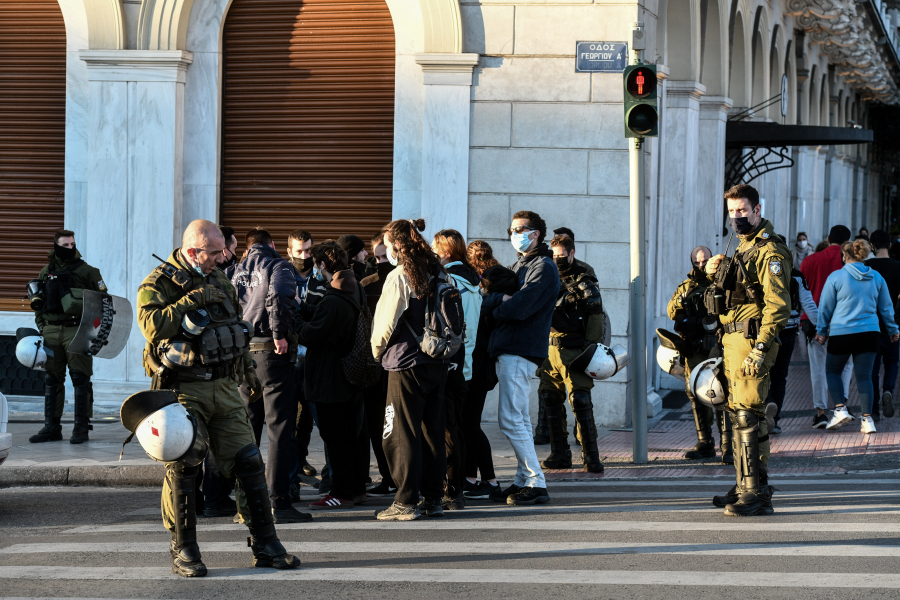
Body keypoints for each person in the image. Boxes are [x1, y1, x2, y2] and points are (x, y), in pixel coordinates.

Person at [137, 219, 299, 576]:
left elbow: (235, 326)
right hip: (184, 388)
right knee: (184, 466)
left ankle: (266, 544)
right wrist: (189, 301)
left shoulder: (219, 278)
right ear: (193, 251)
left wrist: (247, 371)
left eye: (221, 252)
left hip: (225, 386)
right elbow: (151, 325)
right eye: (213, 253)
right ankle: (185, 549)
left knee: (249, 461)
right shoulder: (158, 282)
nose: (221, 258)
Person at [705, 183, 791, 516]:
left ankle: (754, 494)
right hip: (732, 340)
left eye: (742, 210)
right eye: (731, 212)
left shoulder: (770, 250)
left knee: (747, 416)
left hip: (752, 341)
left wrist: (759, 349)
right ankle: (747, 483)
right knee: (741, 415)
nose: (736, 217)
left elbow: (777, 305)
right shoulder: (743, 246)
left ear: (757, 209)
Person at [371, 218, 449, 521]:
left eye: (388, 246)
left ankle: (404, 501)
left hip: (405, 363)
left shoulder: (400, 275)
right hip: (437, 361)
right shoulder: (438, 271)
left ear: (397, 245)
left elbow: (386, 322)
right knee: (432, 433)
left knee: (401, 434)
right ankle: (433, 498)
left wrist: (377, 352)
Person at [229, 228, 309, 523]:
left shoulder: (235, 270)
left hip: (242, 356)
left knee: (247, 429)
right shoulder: (279, 266)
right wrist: (279, 334)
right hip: (270, 354)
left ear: (248, 247)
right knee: (279, 429)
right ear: (273, 244)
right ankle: (278, 502)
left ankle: (246, 504)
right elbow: (280, 296)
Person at [482, 210, 560, 506]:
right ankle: (522, 480)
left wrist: (500, 306)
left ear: (536, 233)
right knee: (519, 420)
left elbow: (520, 308)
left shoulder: (543, 267)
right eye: (511, 230)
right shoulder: (520, 264)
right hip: (511, 347)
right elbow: (488, 298)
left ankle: (536, 482)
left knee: (511, 419)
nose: (514, 234)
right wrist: (500, 301)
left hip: (520, 348)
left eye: (520, 229)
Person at [296, 240, 367, 509]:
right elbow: (327, 319)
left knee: (336, 439)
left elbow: (311, 334)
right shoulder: (353, 288)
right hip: (350, 375)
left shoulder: (334, 299)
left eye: (315, 264)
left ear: (322, 265)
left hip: (330, 379)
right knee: (352, 436)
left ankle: (341, 492)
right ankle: (356, 488)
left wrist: (296, 320)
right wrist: (306, 310)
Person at [28, 229, 106, 445]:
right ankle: (51, 427)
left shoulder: (89, 271)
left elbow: (103, 302)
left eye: (72, 244)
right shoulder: (46, 271)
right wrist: (42, 326)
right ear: (56, 247)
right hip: (52, 330)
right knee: (52, 379)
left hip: (77, 330)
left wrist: (93, 331)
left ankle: (81, 428)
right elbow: (38, 302)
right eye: (65, 245)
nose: (70, 248)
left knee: (80, 379)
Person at [538, 234, 607, 473]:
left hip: (574, 349)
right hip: (548, 350)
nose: (557, 260)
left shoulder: (583, 281)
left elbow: (596, 316)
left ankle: (591, 456)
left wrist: (591, 348)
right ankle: (560, 454)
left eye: (561, 255)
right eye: (553, 255)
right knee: (549, 398)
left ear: (571, 253)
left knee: (580, 400)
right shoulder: (544, 276)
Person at [817, 240, 899, 433]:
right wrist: (893, 330)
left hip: (841, 333)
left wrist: (821, 331)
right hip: (870, 333)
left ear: (844, 256)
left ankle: (840, 409)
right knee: (865, 376)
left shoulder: (836, 277)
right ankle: (867, 420)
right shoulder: (877, 277)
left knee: (832, 371)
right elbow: (887, 308)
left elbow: (825, 307)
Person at [667, 245, 732, 463]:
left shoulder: (722, 283)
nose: (701, 265)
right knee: (695, 393)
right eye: (697, 262)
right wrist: (682, 299)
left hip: (717, 347)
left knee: (720, 394)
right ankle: (705, 442)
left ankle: (727, 444)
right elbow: (671, 311)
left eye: (705, 261)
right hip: (693, 349)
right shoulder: (686, 286)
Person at [432, 229, 482, 509]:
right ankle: (457, 487)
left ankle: (452, 489)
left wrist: (453, 359)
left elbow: (459, 330)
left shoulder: (451, 280)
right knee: (457, 430)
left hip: (453, 364)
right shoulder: (472, 280)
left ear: (446, 251)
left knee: (449, 431)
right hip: (465, 364)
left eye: (435, 248)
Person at [461, 241, 512, 499]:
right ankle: (470, 478)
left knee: (469, 424)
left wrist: (491, 297)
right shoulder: (492, 283)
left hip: (478, 367)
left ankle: (490, 481)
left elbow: (488, 306)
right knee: (468, 423)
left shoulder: (487, 285)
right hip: (481, 365)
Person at [801, 225, 855, 428]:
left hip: (814, 322)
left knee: (818, 368)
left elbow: (802, 291)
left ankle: (820, 413)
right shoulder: (850, 264)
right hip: (844, 322)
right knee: (846, 365)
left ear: (827, 238)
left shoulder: (810, 260)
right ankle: (841, 408)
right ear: (848, 242)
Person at [360, 232, 397, 497]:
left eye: (383, 256)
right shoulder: (403, 279)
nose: (380, 262)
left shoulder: (371, 283)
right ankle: (393, 476)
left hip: (383, 361)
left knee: (381, 424)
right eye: (377, 257)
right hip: (390, 363)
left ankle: (390, 476)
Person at [765, 244, 816, 435]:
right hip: (788, 332)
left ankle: (765, 407)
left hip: (765, 332)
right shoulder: (796, 275)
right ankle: (775, 421)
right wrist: (820, 327)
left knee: (761, 374)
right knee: (779, 377)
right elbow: (808, 303)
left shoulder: (762, 273)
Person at [285, 229, 317, 486]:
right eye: (299, 251)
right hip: (289, 356)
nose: (304, 256)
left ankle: (302, 458)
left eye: (308, 250)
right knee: (289, 416)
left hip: (314, 357)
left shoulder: (322, 276)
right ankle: (291, 468)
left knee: (307, 415)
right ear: (289, 252)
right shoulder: (281, 276)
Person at [865, 229, 900, 420]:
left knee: (872, 367)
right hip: (892, 324)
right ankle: (888, 390)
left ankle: (874, 409)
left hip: (870, 324)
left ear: (872, 245)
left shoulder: (866, 267)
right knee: (892, 362)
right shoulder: (898, 266)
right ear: (890, 245)